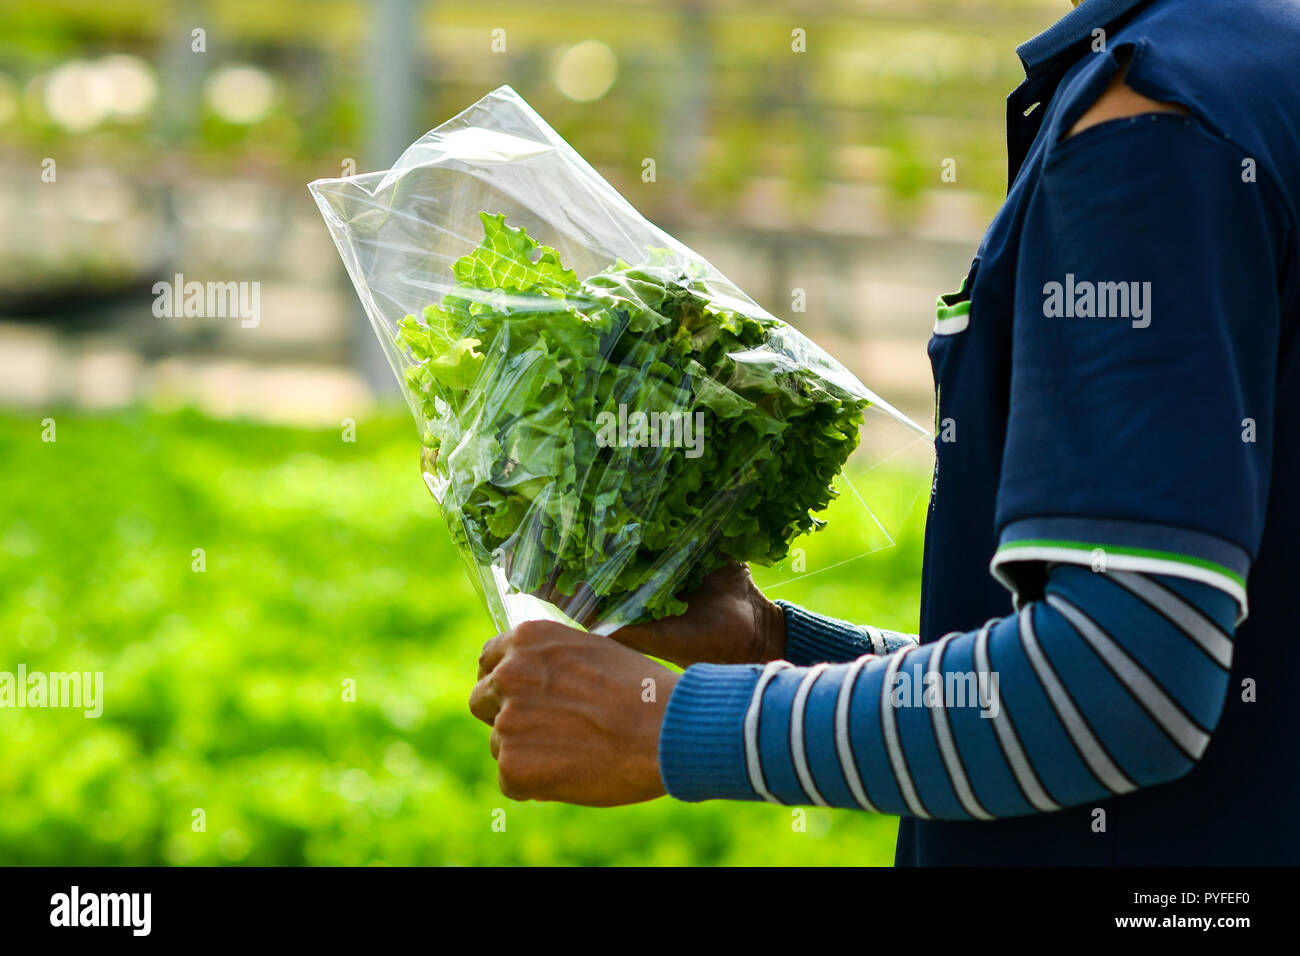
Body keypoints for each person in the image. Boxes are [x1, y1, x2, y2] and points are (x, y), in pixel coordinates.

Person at [469, 0, 1300, 865]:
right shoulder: (1259, 62)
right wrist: (774, 647)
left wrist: (669, 727)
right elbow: (1212, 665)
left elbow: (1122, 687)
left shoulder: (1155, 126)